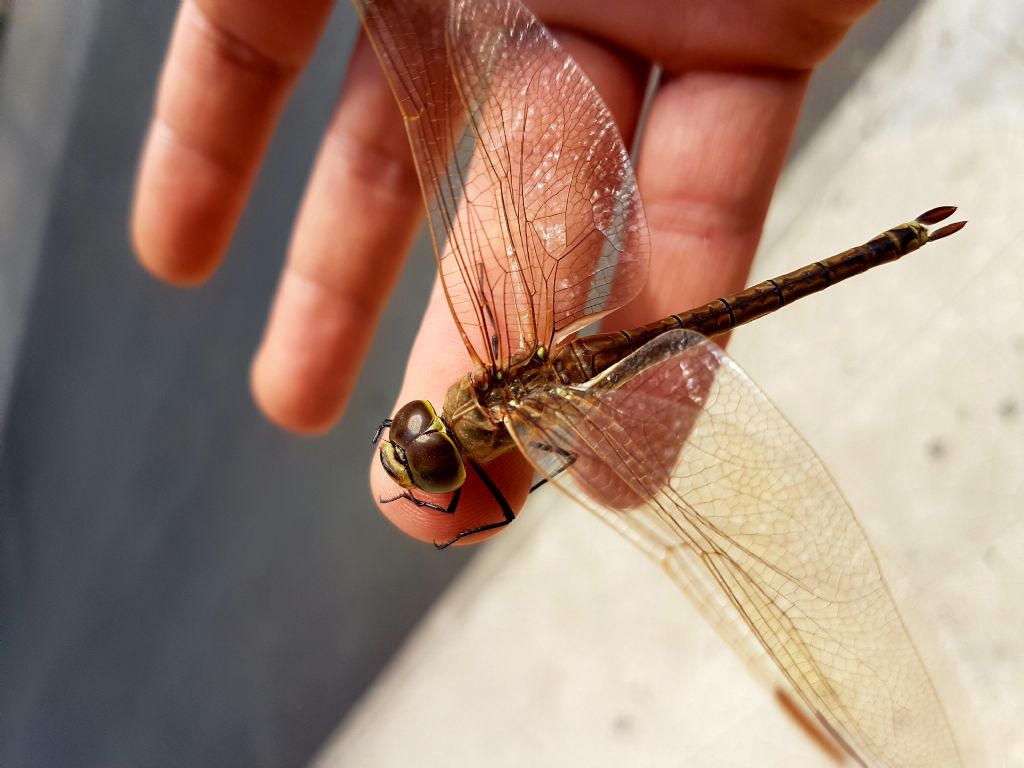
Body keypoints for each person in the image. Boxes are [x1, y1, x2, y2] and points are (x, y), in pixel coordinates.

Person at [131, 0, 878, 545]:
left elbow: (506, 502)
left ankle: (890, 241)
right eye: (416, 448)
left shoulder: (498, 432)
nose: (407, 441)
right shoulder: (492, 364)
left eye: (409, 440)